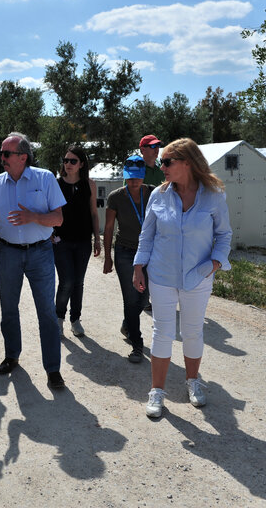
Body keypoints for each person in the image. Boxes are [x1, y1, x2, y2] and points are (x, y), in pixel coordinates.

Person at [133, 138, 232, 418]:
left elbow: (224, 235)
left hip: (198, 276)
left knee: (192, 332)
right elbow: (147, 235)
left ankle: (192, 381)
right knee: (162, 333)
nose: (161, 166)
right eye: (161, 161)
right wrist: (139, 266)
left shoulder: (213, 195)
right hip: (162, 275)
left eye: (167, 162)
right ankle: (157, 391)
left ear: (186, 162)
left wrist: (214, 264)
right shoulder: (158, 195)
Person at [0, 132, 67, 390]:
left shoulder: (45, 178)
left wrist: (33, 217)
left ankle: (53, 369)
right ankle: (12, 356)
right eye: (1, 153)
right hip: (7, 252)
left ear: (23, 157)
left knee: (46, 312)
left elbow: (58, 219)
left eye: (6, 153)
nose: (1, 157)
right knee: (8, 308)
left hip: (40, 252)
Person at [103, 156, 155, 363]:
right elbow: (108, 228)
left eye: (137, 178)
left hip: (150, 253)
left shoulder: (153, 193)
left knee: (144, 298)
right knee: (131, 298)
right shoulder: (116, 197)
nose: (133, 182)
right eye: (129, 177)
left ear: (142, 176)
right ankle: (137, 344)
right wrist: (107, 257)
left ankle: (128, 324)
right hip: (125, 252)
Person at [53, 145, 101, 337]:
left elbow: (94, 214)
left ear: (81, 164)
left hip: (83, 241)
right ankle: (58, 318)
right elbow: (48, 210)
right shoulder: (56, 184)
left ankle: (75, 319)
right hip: (61, 241)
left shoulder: (90, 185)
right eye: (66, 160)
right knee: (67, 281)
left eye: (73, 161)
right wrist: (49, 232)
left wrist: (97, 239)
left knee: (78, 282)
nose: (68, 164)